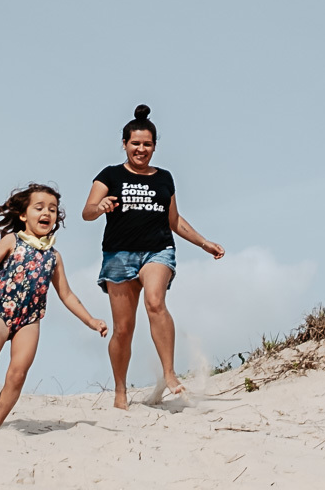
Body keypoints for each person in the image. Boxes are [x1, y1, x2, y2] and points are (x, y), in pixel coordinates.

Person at [82, 104, 224, 410]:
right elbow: (87, 212)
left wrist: (203, 243)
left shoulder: (164, 178)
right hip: (118, 255)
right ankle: (120, 390)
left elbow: (174, 221)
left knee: (156, 302)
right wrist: (101, 206)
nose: (141, 149)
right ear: (125, 144)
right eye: (135, 144)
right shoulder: (110, 174)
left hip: (158, 249)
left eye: (147, 144)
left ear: (154, 147)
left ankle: (170, 373)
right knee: (123, 329)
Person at [0, 183, 108, 427]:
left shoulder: (54, 256)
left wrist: (91, 321)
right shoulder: (11, 241)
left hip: (30, 320)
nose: (47, 213)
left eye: (52, 209)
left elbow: (67, 295)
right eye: (39, 208)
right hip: (1, 313)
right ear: (23, 215)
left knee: (17, 375)